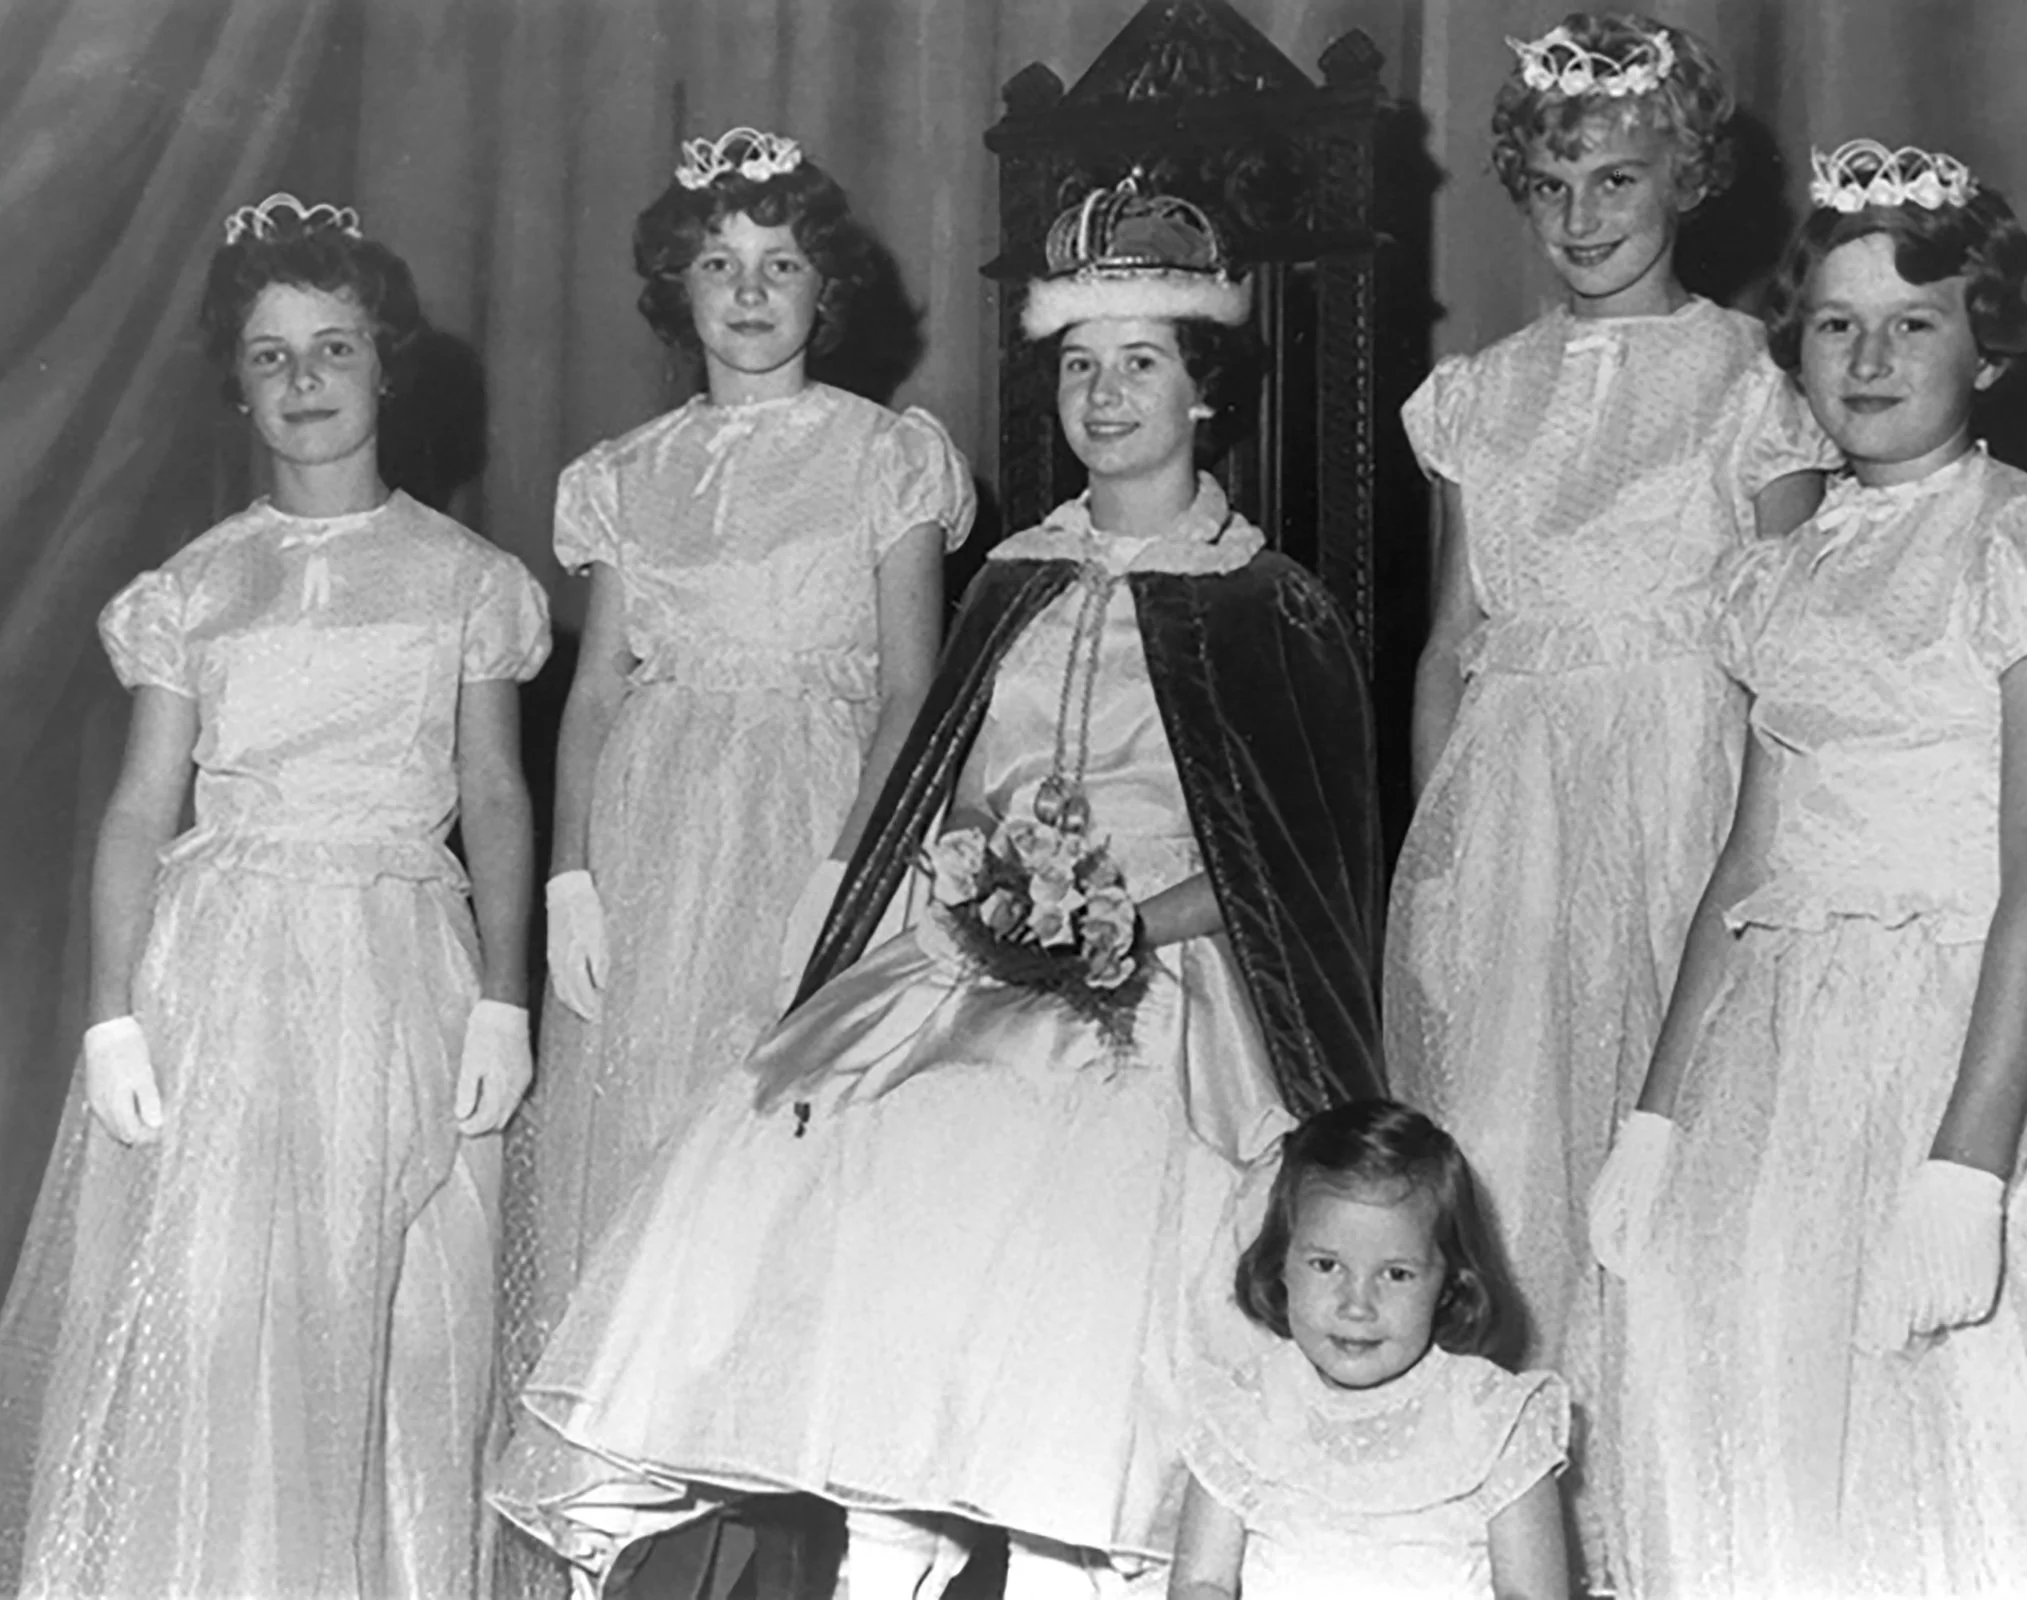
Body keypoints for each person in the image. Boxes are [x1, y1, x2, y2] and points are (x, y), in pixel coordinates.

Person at [488, 176, 1384, 1600]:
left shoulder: (1268, 601)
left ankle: (1063, 1550)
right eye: (1078, 365)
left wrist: (1125, 925)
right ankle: (886, 1540)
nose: (1105, 396)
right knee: (858, 1122)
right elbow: (948, 785)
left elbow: (1290, 864)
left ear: (1204, 388)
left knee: (1091, 1170)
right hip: (989, 956)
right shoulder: (1013, 579)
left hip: (1175, 972)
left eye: (1141, 362)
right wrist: (983, 891)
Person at [1589, 140, 2027, 1596]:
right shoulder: (1778, 572)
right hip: (1785, 1058)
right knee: (1769, 1421)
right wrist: (1657, 1118)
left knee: (1982, 1442)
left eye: (1913, 324)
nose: (1868, 361)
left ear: (1985, 348)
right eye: (1836, 324)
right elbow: (1746, 864)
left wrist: (1969, 1166)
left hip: (1978, 1048)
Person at [0, 193, 550, 1598]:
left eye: (333, 347)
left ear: (386, 365)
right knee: (213, 1298)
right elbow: (141, 808)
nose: (304, 380)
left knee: (394, 1308)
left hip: (399, 970)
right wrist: (110, 1015)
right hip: (224, 971)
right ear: (237, 387)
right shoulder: (196, 585)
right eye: (269, 356)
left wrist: (505, 995)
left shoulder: (464, 578)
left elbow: (493, 794)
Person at [1380, 13, 1834, 1580]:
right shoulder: (1479, 394)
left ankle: (1665, 1518)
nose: (1583, 217)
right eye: (1555, 184)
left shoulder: (1749, 376)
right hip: (1514, 807)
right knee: (1511, 1143)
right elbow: (1451, 640)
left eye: (1619, 179)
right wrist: (1439, 851)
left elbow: (1800, 646)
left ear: (1687, 179)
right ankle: (1510, 1523)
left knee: (1672, 1139)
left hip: (1684, 795)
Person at [493, 125, 973, 1596]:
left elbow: (911, 688)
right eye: (719, 264)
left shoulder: (886, 454)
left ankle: (806, 1548)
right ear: (676, 289)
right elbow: (595, 695)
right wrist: (572, 873)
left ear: (827, 289)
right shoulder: (625, 474)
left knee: (790, 1179)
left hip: (820, 825)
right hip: (658, 840)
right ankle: (628, 1537)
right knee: (643, 1165)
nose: (750, 293)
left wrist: (851, 873)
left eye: (780, 264)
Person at [1172, 1100, 1570, 1600]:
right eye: (1326, 1265)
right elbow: (1201, 1582)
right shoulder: (1244, 1411)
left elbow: (1532, 1593)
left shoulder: (1495, 1419)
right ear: (1281, 1263)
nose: (1357, 1305)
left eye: (1396, 1274)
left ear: (1449, 1284)